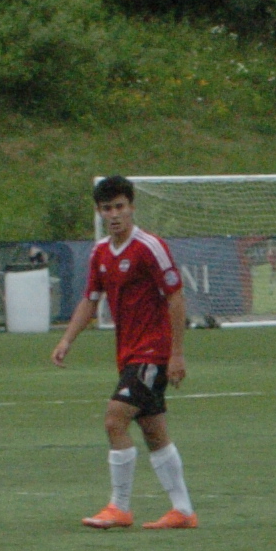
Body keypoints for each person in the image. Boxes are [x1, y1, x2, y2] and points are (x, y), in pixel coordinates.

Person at [53, 175, 196, 530]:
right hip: (128, 353)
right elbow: (90, 299)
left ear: (132, 207)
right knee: (154, 431)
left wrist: (177, 354)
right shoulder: (100, 252)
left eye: (120, 207)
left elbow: (175, 297)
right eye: (107, 208)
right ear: (99, 212)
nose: (114, 214)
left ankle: (119, 507)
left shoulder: (150, 247)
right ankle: (183, 511)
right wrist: (67, 340)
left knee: (114, 419)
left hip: (152, 351)